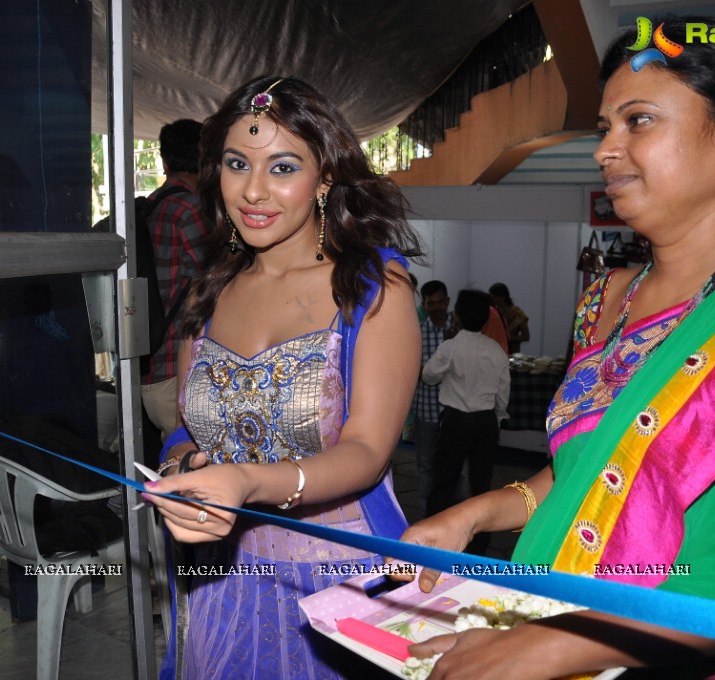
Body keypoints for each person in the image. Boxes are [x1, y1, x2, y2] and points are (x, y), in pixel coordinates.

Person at [393, 16, 715, 680]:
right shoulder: (604, 297)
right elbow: (588, 472)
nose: (603, 149)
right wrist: (470, 517)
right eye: (602, 128)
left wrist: (559, 646)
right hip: (537, 612)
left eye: (638, 121)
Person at [142, 75, 422, 679]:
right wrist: (181, 474)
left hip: (339, 582)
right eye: (237, 163)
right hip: (221, 579)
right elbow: (186, 433)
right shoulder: (207, 289)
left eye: (283, 167)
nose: (254, 191)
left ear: (324, 179)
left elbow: (368, 452)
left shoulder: (372, 286)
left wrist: (247, 479)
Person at [422, 289, 508, 556]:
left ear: (456, 315)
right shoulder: (496, 350)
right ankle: (479, 546)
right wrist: (498, 417)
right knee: (482, 483)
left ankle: (433, 538)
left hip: (456, 420)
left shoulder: (451, 346)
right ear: (486, 319)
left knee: (444, 480)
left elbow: (428, 376)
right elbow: (503, 392)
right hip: (485, 421)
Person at [141, 119, 210, 442]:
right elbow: (214, 286)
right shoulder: (191, 209)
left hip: (151, 367)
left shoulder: (151, 206)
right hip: (177, 373)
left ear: (165, 161)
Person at [412, 280, 458, 513]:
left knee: (458, 468)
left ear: (448, 302)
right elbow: (412, 372)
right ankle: (425, 517)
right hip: (427, 410)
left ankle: (459, 519)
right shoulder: (417, 332)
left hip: (456, 412)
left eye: (441, 302)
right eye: (432, 303)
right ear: (425, 304)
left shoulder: (462, 332)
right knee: (426, 466)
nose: (437, 307)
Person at [489, 282, 530, 354]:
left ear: (502, 297)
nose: (492, 300)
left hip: (512, 352)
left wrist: (507, 337)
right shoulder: (493, 311)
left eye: (494, 297)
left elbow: (526, 337)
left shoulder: (517, 313)